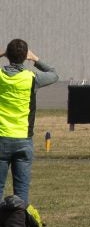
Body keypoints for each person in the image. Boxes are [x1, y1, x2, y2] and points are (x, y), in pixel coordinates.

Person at [0, 39, 59, 203]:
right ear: (25, 56)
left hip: (1, 137)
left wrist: (2, 54)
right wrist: (35, 59)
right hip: (23, 139)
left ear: (8, 55)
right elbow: (54, 74)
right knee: (21, 191)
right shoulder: (32, 77)